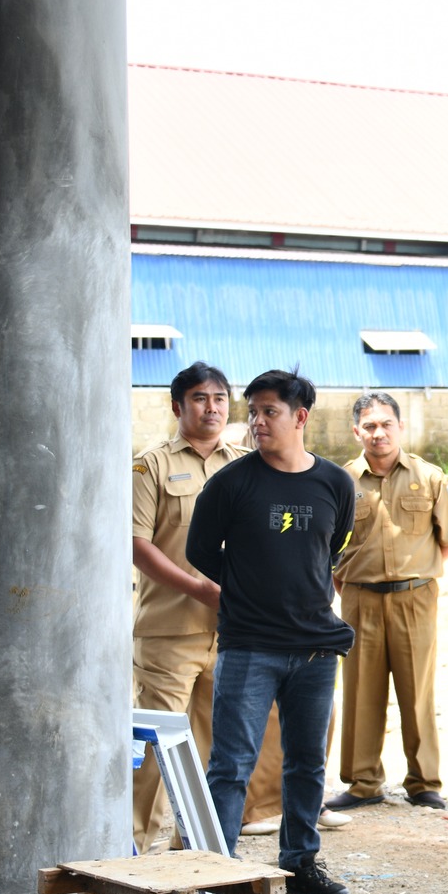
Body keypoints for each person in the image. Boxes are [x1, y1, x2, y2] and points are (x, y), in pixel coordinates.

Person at [186, 369, 359, 894]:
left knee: (307, 762)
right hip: (248, 646)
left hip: (315, 648)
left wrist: (297, 589)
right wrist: (248, 590)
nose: (257, 422)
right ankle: (220, 872)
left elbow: (335, 547)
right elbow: (199, 551)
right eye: (253, 412)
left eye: (269, 412)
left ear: (299, 417)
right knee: (232, 764)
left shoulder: (334, 483)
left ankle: (300, 861)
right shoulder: (233, 482)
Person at [130, 361, 300, 854]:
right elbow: (139, 544)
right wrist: (199, 588)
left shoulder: (251, 463)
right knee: (157, 747)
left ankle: (197, 851)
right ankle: (136, 848)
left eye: (221, 399)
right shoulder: (151, 466)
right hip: (171, 631)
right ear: (178, 406)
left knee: (216, 749)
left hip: (236, 632)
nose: (213, 408)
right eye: (201, 398)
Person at [328, 391, 448, 813]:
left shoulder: (429, 478)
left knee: (416, 689)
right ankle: (363, 781)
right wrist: (349, 582)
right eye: (369, 426)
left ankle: (424, 782)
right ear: (357, 431)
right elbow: (327, 547)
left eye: (386, 424)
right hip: (358, 599)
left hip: (415, 598)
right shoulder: (338, 481)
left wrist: (418, 570)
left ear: (400, 427)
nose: (378, 433)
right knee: (360, 690)